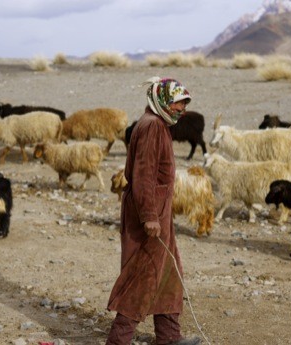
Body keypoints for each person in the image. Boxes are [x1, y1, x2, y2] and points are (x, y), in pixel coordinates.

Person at [106, 77, 201, 345]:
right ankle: (118, 341)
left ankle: (169, 337)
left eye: (183, 105)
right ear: (161, 101)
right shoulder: (152, 127)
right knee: (142, 276)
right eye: (177, 104)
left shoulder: (157, 124)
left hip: (159, 212)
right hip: (148, 214)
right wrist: (149, 216)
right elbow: (143, 175)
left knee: (169, 272)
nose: (181, 110)